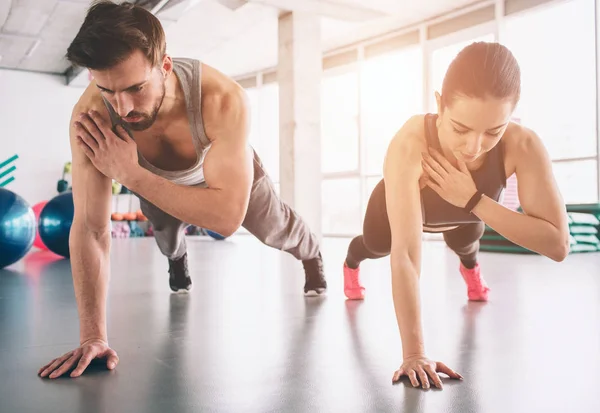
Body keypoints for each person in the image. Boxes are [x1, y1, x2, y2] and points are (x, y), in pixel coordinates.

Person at [38, 0, 326, 380]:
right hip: (151, 177)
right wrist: (93, 335)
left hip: (222, 176)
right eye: (107, 90)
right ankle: (177, 259)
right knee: (166, 235)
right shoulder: (90, 117)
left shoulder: (223, 99)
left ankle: (312, 254)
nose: (123, 108)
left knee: (273, 227)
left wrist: (130, 174)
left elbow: (225, 220)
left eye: (136, 88)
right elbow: (91, 228)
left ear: (165, 66)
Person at [342, 41, 570, 390]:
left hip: (467, 211)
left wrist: (472, 198)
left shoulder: (523, 145)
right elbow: (406, 254)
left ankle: (471, 270)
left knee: (467, 241)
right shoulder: (411, 140)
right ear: (439, 105)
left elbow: (558, 245)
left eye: (494, 131)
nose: (474, 147)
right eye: (461, 129)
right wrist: (414, 353)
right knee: (376, 245)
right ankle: (351, 263)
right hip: (397, 215)